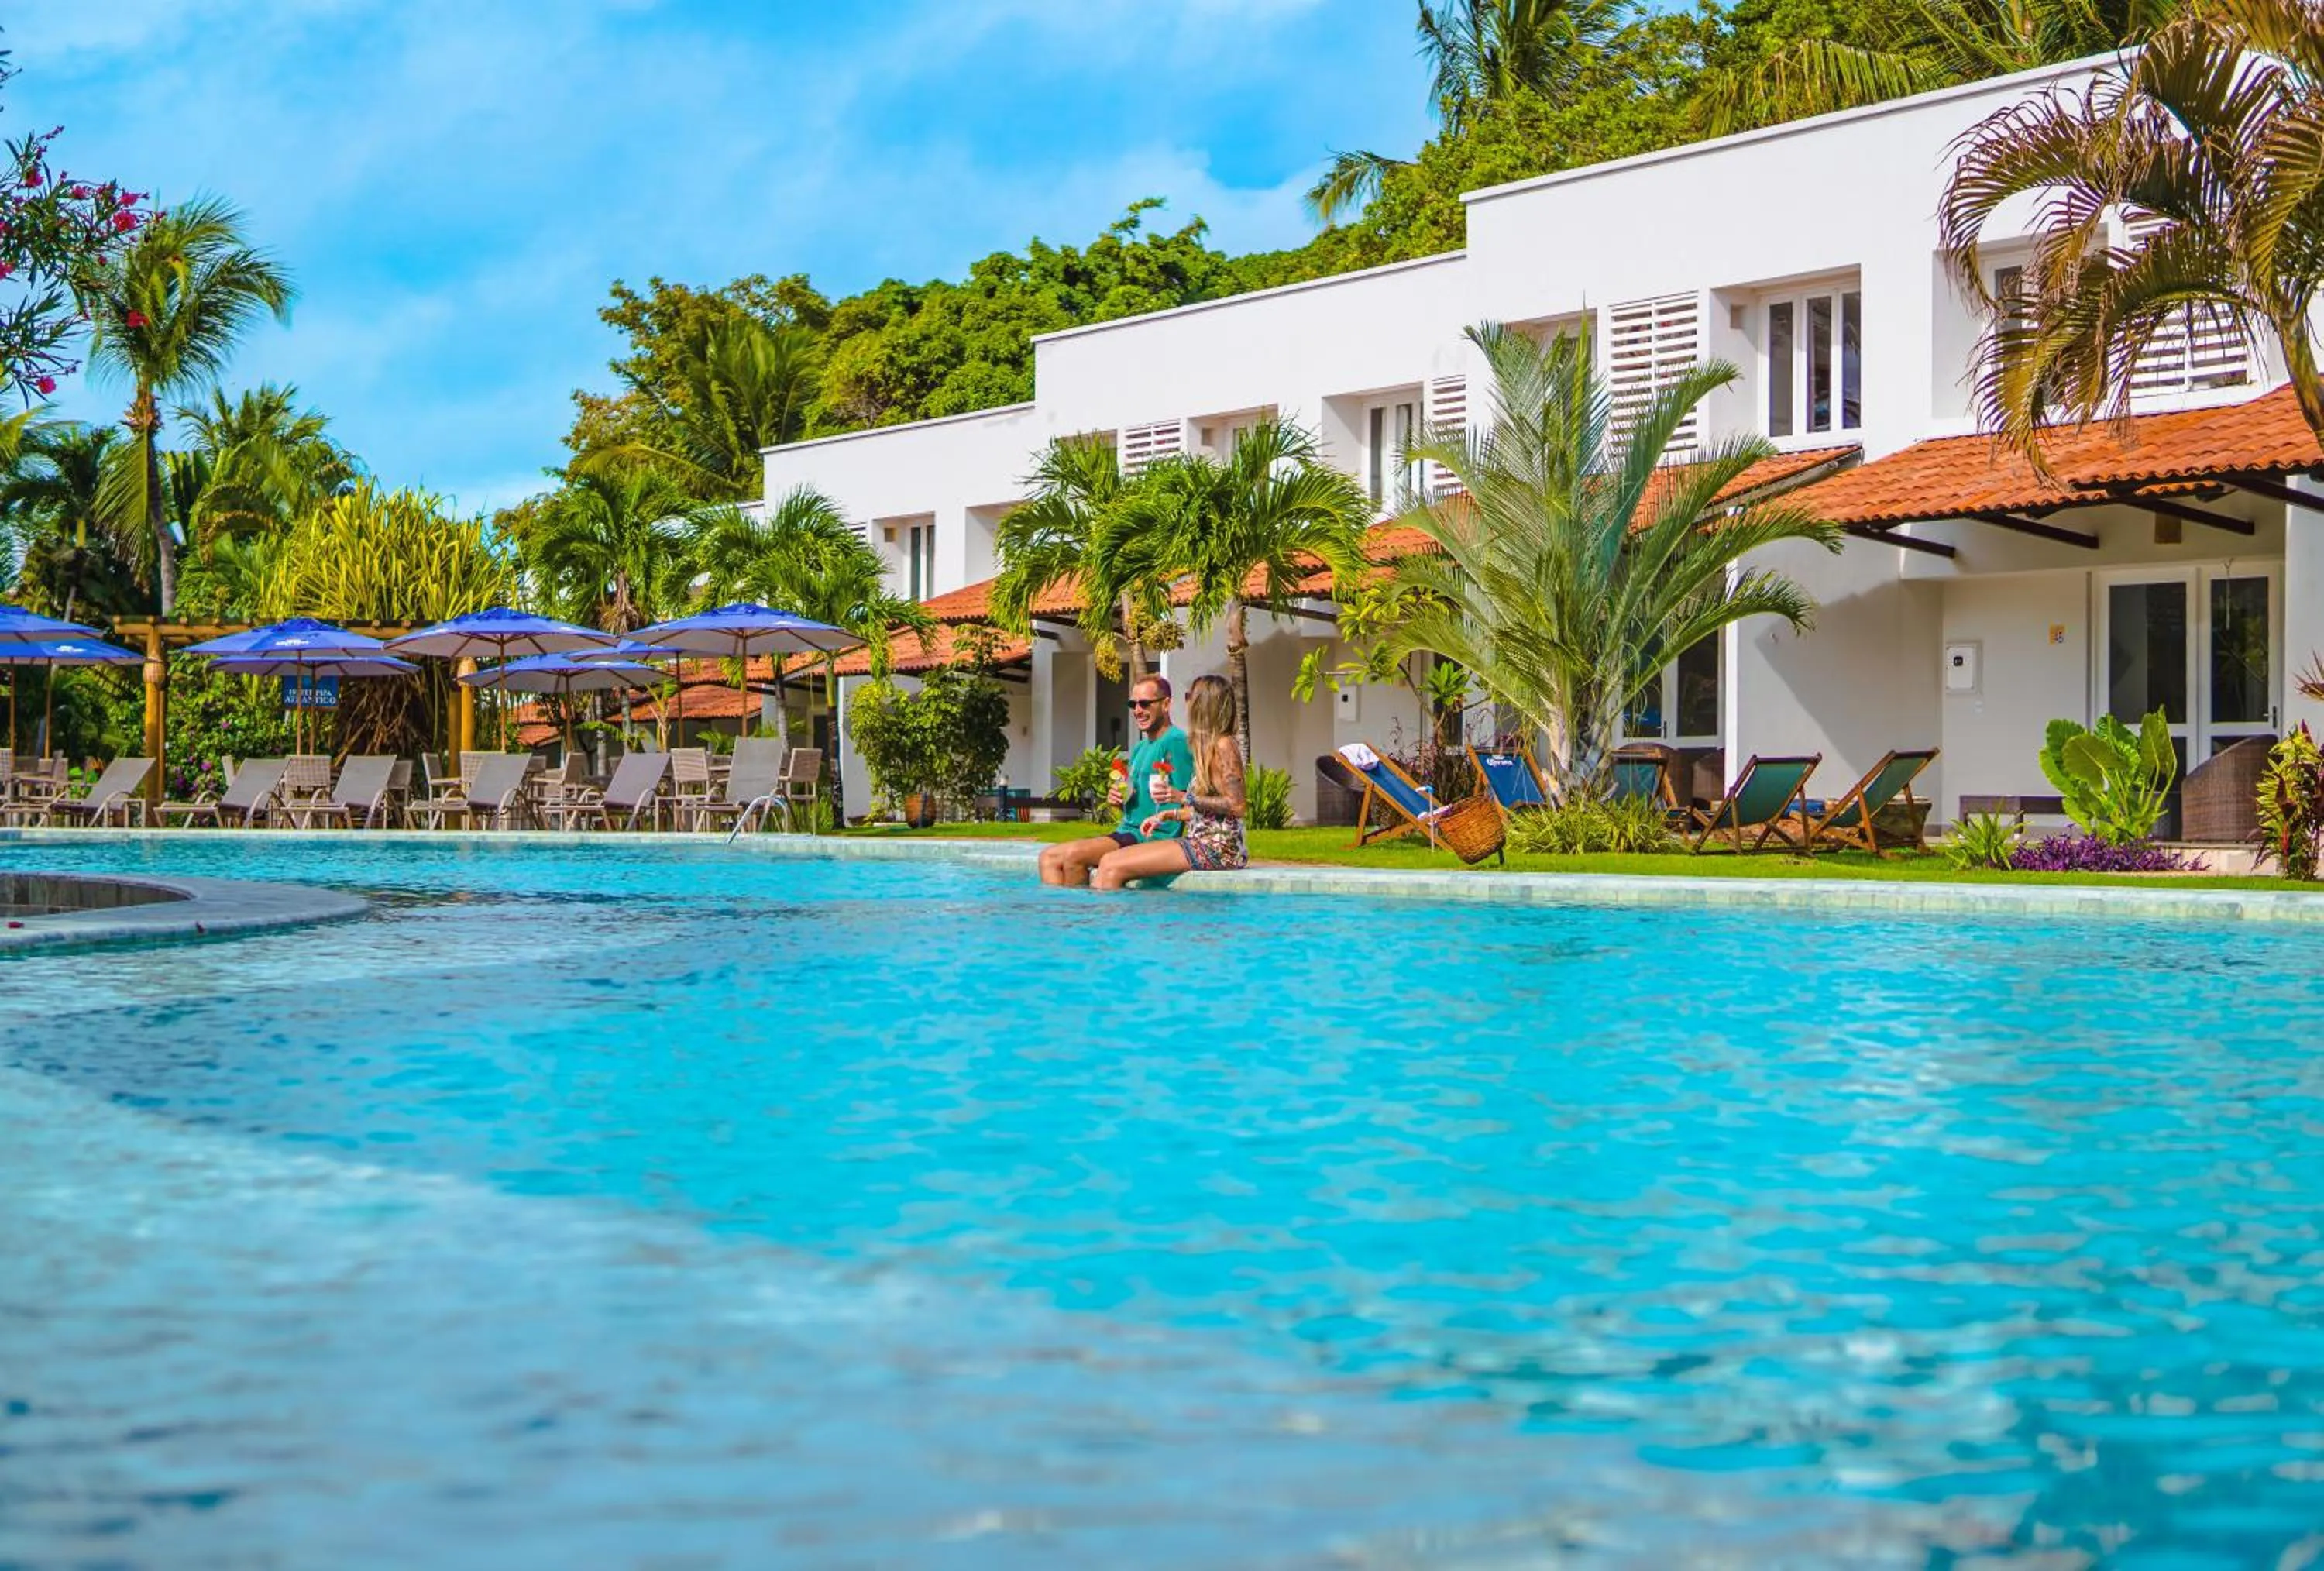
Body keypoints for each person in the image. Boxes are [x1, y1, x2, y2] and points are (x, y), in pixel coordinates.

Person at [1037, 674, 1197, 888]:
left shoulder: (1176, 742)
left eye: (1145, 703)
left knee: (1072, 856)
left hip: (1149, 838)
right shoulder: (1140, 748)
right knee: (1048, 858)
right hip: (1126, 832)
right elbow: (1135, 805)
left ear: (1166, 704)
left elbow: (1190, 801)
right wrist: (1119, 799)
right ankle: (1067, 916)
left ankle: (1078, 917)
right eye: (1133, 704)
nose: (1137, 710)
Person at [1092, 673, 1247, 889]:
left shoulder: (1224, 745)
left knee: (1112, 864)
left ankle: (1119, 922)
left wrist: (1184, 797)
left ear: (1204, 704)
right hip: (1200, 841)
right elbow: (1208, 814)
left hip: (1219, 849)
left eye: (1189, 696)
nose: (1186, 702)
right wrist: (1168, 814)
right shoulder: (1207, 747)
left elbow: (1237, 806)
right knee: (1109, 861)